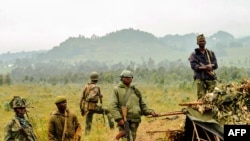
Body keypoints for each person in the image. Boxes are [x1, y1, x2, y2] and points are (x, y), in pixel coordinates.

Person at [109, 70, 158, 141]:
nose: (128, 78)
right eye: (126, 77)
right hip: (124, 120)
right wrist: (119, 119)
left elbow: (142, 106)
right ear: (122, 78)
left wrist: (150, 112)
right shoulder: (117, 90)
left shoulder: (136, 91)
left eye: (130, 77)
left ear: (132, 78)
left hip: (135, 120)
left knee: (132, 138)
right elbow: (112, 106)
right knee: (126, 138)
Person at [188, 34, 218, 99]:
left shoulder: (210, 53)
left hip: (210, 78)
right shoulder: (194, 54)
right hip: (200, 79)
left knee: (213, 98)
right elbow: (194, 66)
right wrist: (205, 67)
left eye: (203, 41)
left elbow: (215, 65)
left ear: (205, 42)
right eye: (200, 41)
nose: (202, 42)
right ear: (197, 43)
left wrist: (211, 65)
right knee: (201, 98)